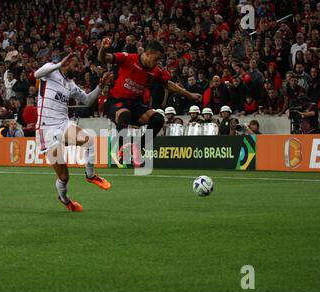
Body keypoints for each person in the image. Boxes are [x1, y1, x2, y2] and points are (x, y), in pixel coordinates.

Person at [34, 53, 113, 212]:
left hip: (63, 124)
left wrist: (101, 86)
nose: (78, 69)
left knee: (88, 141)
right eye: (75, 65)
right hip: (46, 130)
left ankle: (90, 176)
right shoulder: (50, 72)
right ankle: (65, 200)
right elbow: (37, 74)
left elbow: (88, 100)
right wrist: (59, 63)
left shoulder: (70, 84)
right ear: (66, 62)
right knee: (64, 177)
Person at [98, 39, 201, 159]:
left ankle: (138, 147)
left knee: (158, 119)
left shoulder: (155, 71)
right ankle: (122, 149)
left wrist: (189, 94)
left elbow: (168, 84)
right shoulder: (128, 58)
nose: (157, 62)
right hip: (116, 101)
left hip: (135, 105)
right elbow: (103, 57)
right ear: (148, 54)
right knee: (125, 114)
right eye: (156, 59)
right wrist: (103, 47)